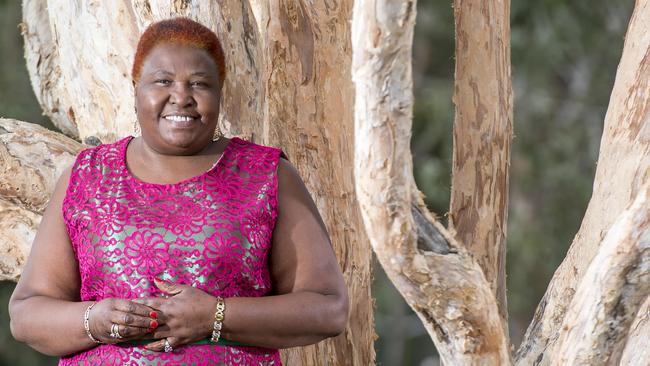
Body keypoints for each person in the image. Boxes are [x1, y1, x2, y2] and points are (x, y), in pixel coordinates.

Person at [9, 17, 348, 365]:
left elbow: (327, 308)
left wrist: (215, 317)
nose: (181, 97)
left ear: (220, 93)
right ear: (136, 88)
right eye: (163, 81)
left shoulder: (266, 175)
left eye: (200, 84)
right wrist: (93, 320)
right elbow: (27, 314)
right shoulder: (88, 176)